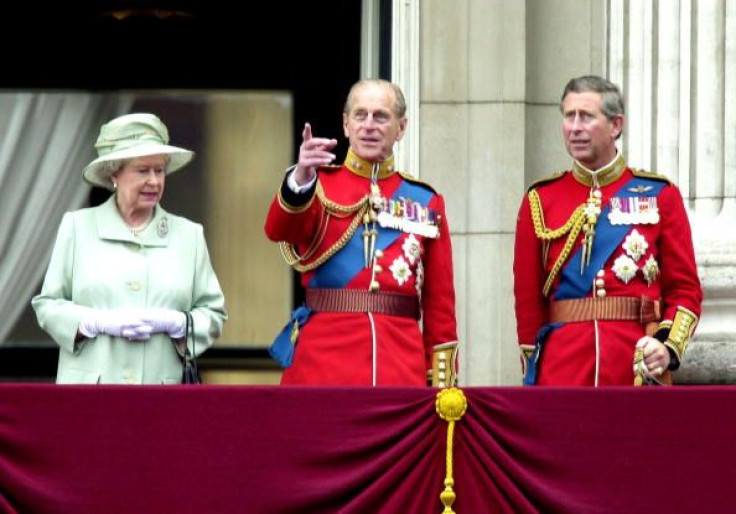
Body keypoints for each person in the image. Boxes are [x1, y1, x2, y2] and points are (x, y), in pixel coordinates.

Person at [264, 79, 457, 386]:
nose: (369, 125)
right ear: (345, 124)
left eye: (380, 116)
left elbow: (440, 306)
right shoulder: (318, 186)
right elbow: (278, 230)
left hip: (400, 368)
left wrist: (442, 384)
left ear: (401, 127)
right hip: (321, 367)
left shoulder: (425, 200)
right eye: (360, 115)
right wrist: (300, 177)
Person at [513, 75, 702, 386]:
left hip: (636, 365)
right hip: (563, 370)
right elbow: (528, 302)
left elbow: (685, 290)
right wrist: (535, 369)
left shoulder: (660, 195)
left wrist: (667, 346)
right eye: (568, 116)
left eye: (586, 117)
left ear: (616, 125)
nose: (575, 127)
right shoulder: (540, 200)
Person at [32, 113, 227, 384]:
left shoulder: (189, 235)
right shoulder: (77, 227)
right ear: (115, 173)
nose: (154, 181)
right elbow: (47, 306)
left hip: (161, 396)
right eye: (143, 170)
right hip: (90, 397)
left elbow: (213, 313)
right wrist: (93, 322)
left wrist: (178, 323)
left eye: (159, 170)